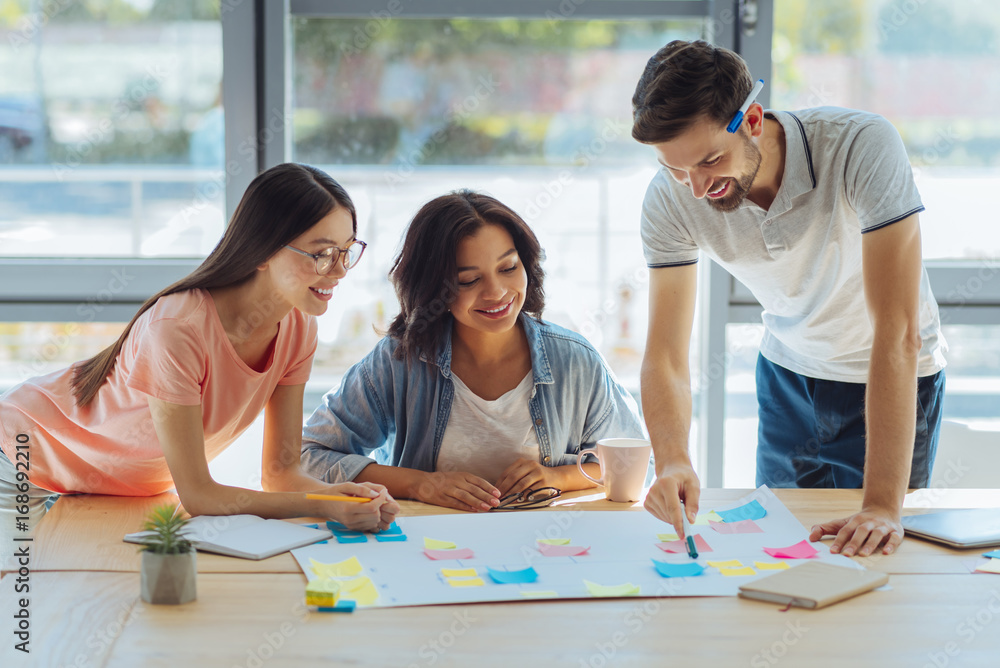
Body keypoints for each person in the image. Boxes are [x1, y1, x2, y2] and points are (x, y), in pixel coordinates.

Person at [631, 41, 946, 558]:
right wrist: (672, 461)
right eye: (676, 169)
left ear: (752, 119)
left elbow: (898, 330)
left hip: (889, 374)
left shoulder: (860, 145)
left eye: (711, 160)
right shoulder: (670, 199)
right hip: (787, 378)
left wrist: (884, 507)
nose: (695, 189)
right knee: (781, 551)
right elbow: (664, 354)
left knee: (875, 553)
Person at [0, 163, 400, 560]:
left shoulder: (298, 327)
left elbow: (280, 474)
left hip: (102, 489)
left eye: (347, 252)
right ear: (262, 250)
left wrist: (340, 494)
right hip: (17, 457)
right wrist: (321, 506)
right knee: (22, 607)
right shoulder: (178, 327)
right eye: (322, 254)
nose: (339, 271)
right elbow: (199, 495)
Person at [300, 190, 645, 512]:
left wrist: (558, 477)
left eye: (508, 268)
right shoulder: (398, 360)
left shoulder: (575, 361)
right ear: (434, 288)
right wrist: (420, 485)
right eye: (468, 280)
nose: (496, 292)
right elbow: (308, 456)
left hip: (550, 546)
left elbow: (635, 463)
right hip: (429, 550)